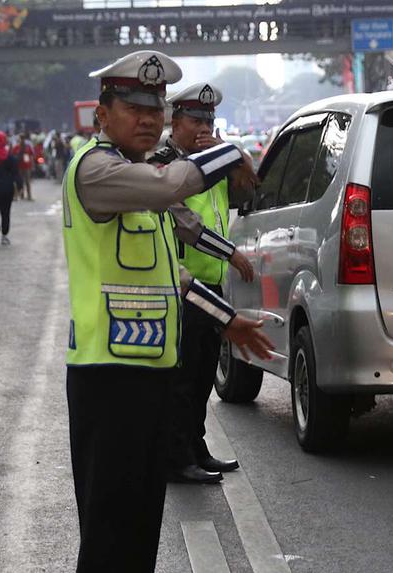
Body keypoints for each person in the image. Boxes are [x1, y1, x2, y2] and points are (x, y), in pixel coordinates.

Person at [62, 50, 272, 573]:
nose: (150, 119)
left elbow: (171, 274)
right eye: (135, 107)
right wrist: (226, 151)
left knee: (140, 509)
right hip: (107, 373)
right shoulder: (98, 171)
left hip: (147, 370)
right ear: (102, 113)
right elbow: (169, 185)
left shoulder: (136, 174)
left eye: (156, 109)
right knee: (109, 514)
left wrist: (225, 320)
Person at [149, 82, 252, 484]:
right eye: (194, 120)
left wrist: (231, 153)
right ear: (175, 122)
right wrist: (230, 252)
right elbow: (182, 222)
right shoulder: (162, 163)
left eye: (208, 121)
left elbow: (248, 191)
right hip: (181, 287)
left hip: (212, 284)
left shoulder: (212, 159)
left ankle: (196, 446)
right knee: (182, 378)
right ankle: (176, 457)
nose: (202, 128)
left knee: (205, 374)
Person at [14, 132, 35, 200]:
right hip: (19, 167)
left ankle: (29, 196)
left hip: (27, 167)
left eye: (23, 138)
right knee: (20, 181)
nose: (22, 140)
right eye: (21, 138)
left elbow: (31, 156)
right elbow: (13, 156)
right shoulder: (16, 147)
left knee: (27, 181)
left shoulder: (28, 147)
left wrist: (32, 165)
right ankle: (20, 195)